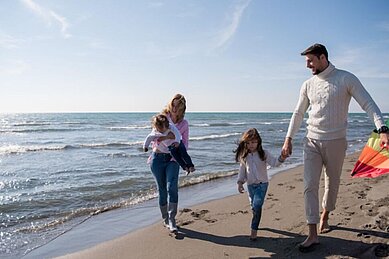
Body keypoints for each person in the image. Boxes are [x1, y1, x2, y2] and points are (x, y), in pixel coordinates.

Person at [281, 43, 389, 252]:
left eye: (310, 61)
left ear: (322, 58)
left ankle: (326, 214)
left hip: (336, 142)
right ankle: (312, 234)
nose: (308, 65)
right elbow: (298, 113)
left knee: (332, 183)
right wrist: (288, 138)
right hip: (311, 140)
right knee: (309, 185)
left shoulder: (345, 78)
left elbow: (368, 104)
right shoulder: (307, 84)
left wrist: (383, 129)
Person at [148, 94, 192, 233]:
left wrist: (176, 146)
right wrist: (166, 137)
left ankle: (172, 219)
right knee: (161, 189)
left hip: (172, 160)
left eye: (178, 105)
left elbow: (185, 142)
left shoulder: (184, 124)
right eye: (173, 104)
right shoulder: (162, 118)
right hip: (157, 158)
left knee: (171, 187)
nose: (174, 108)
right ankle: (165, 219)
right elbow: (154, 136)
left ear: (182, 108)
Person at [234, 128, 286, 241]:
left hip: (262, 185)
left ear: (258, 142)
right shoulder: (245, 156)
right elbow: (242, 170)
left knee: (257, 206)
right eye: (248, 143)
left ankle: (253, 231)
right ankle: (256, 218)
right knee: (254, 206)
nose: (251, 145)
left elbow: (274, 163)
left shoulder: (264, 153)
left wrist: (282, 157)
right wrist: (240, 182)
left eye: (253, 142)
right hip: (250, 186)